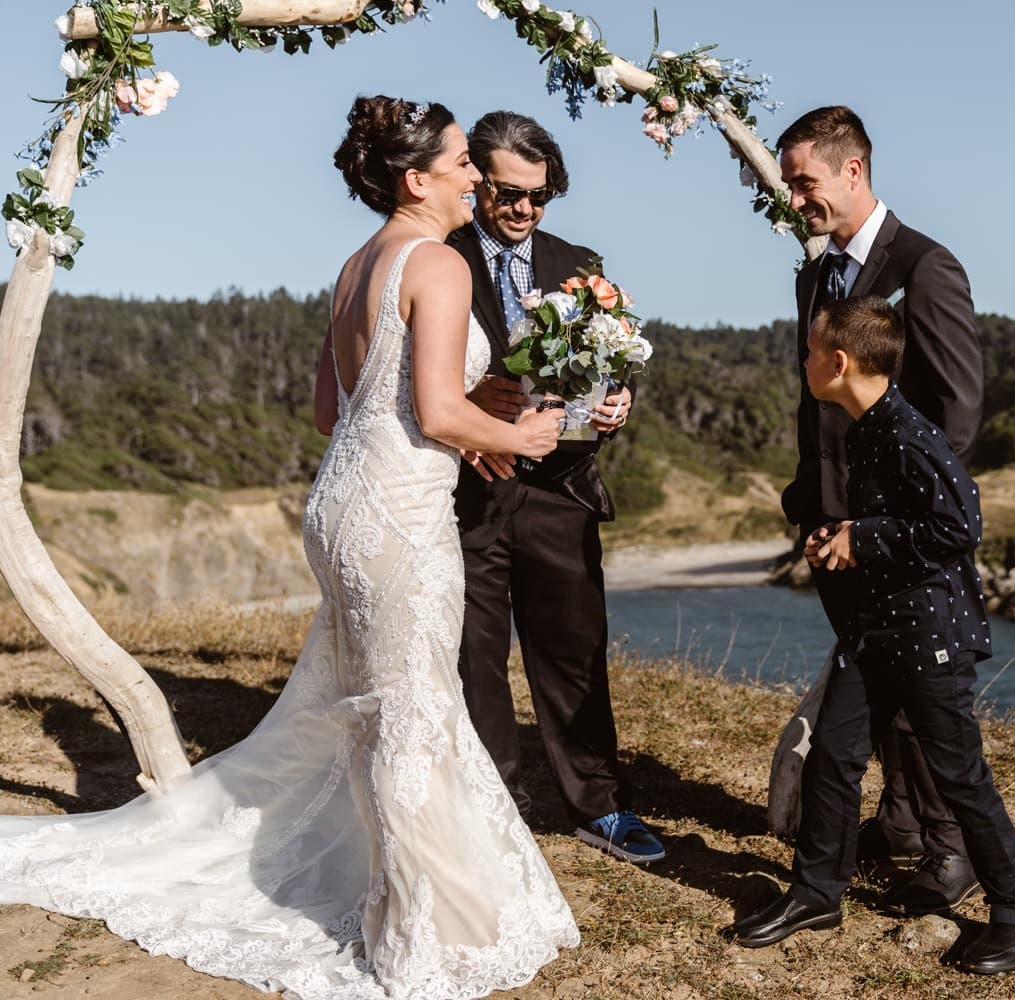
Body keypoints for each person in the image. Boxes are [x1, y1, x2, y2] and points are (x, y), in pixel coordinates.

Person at [0, 96, 580, 998]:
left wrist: (473, 420)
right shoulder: (437, 260)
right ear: (416, 178)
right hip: (395, 515)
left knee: (388, 703)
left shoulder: (357, 266)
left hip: (342, 505)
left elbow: (334, 410)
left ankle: (418, 888)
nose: (477, 176)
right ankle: (420, 929)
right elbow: (431, 410)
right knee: (411, 708)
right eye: (464, 162)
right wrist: (526, 435)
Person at [731, 297, 1015, 975]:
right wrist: (839, 537)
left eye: (811, 352)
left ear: (839, 362)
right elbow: (901, 525)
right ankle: (818, 891)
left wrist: (861, 537)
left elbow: (961, 527)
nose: (804, 361)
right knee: (832, 758)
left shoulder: (907, 432)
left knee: (959, 778)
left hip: (930, 637)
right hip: (876, 628)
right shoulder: (866, 425)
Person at [775, 104, 985, 913]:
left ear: (852, 170)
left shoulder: (927, 268)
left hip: (888, 532)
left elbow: (956, 413)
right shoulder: (816, 272)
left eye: (806, 183)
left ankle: (949, 848)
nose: (796, 199)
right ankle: (898, 822)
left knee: (911, 688)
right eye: (791, 184)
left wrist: (882, 528)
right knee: (881, 687)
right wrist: (811, 503)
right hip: (828, 523)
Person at [448, 110, 664, 864]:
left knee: (573, 652)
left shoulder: (580, 261)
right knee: (474, 659)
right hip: (466, 489)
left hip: (561, 490)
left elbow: (613, 364)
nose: (523, 211)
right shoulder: (436, 256)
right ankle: (492, 806)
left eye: (539, 197)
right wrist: (469, 419)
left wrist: (618, 403)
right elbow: (404, 374)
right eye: (508, 194)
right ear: (475, 181)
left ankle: (599, 806)